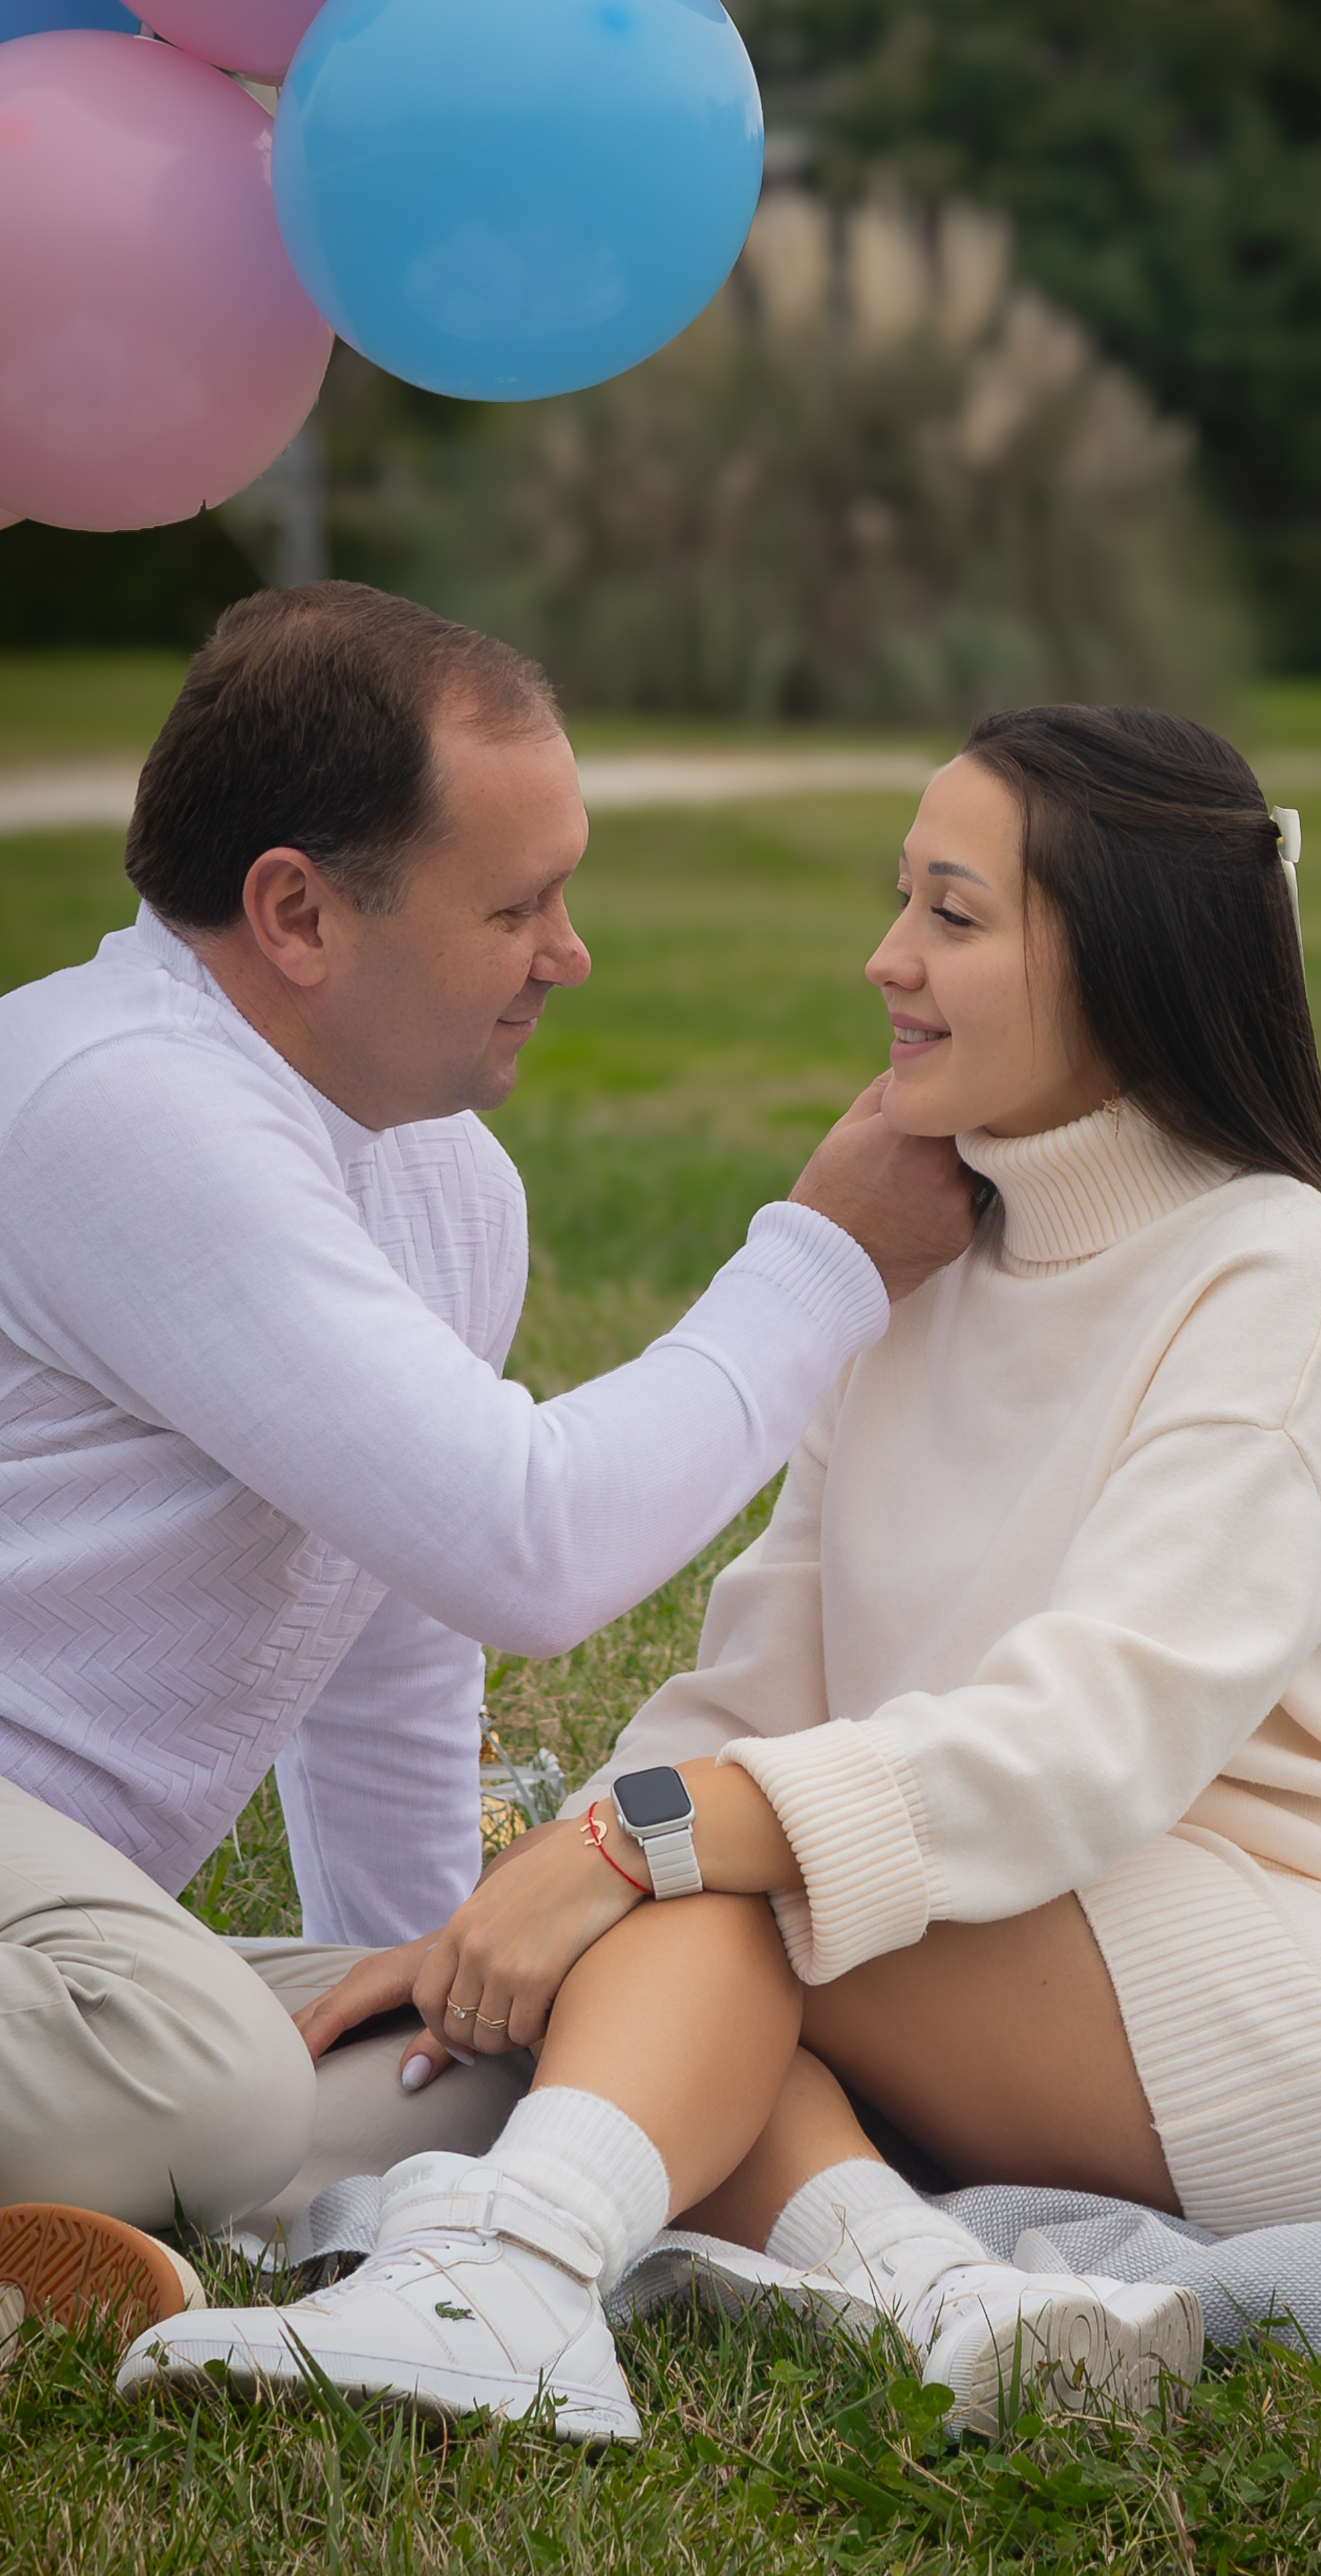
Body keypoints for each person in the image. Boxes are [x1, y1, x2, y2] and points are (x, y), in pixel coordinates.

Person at [124, 706, 1321, 2442]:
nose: (886, 958)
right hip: (1064, 1942)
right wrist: (527, 1903)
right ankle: (938, 2296)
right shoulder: (928, 1258)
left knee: (724, 1879)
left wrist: (615, 1851)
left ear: (1125, 959)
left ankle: (506, 2268)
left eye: (952, 916)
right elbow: (753, 1694)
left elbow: (1084, 1741)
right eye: (903, 900)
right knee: (706, 1888)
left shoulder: (1268, 1273)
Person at [0, 582, 973, 2241]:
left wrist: (435, 1979)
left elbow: (397, 1645)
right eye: (516, 907)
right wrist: (822, 1265)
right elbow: (528, 1548)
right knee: (205, 2091)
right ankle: (151, 2165)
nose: (569, 956)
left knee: (539, 2042)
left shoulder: (445, 1182)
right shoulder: (116, 1101)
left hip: (62, 1939)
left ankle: (122, 2190)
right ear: (296, 914)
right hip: (62, 1934)